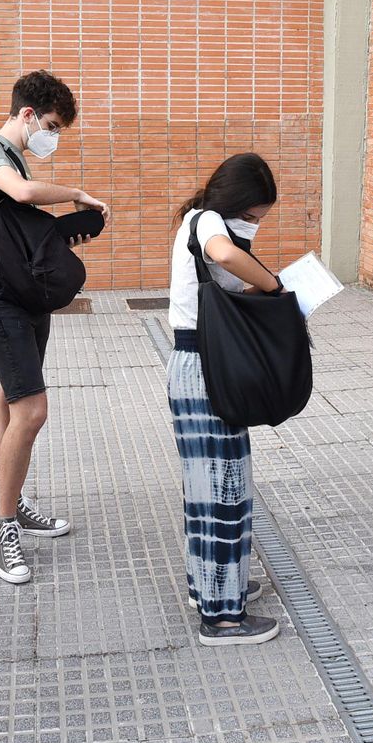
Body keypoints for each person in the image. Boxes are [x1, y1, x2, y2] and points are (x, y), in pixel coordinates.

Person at [0, 70, 109, 585]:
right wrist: (76, 193)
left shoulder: (15, 157)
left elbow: (20, 228)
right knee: (33, 408)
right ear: (27, 114)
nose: (51, 135)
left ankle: (15, 501)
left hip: (25, 293)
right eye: (49, 124)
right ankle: (4, 525)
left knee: (10, 397)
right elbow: (22, 194)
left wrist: (61, 239)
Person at [168, 153, 283, 645]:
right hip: (207, 368)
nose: (254, 226)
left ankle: (213, 588)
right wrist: (275, 286)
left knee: (206, 489)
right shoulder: (211, 222)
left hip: (194, 366)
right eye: (253, 216)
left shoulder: (197, 219)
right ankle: (222, 618)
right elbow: (227, 255)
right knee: (225, 491)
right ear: (235, 201)